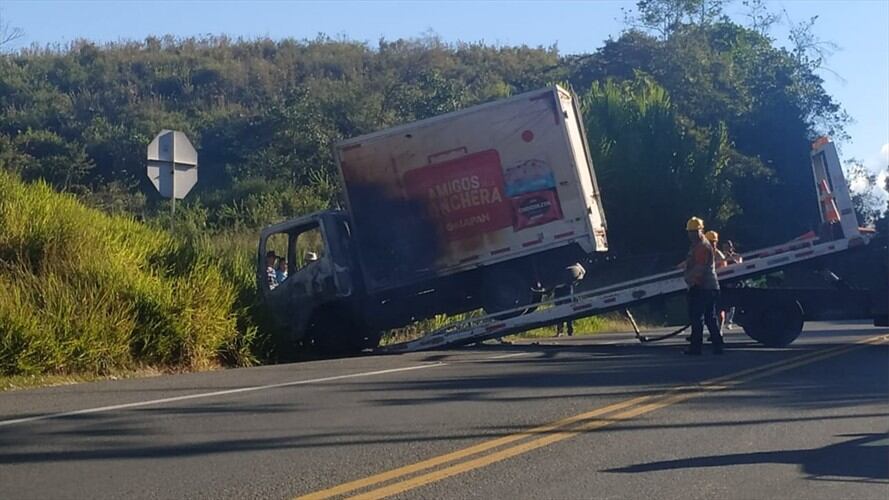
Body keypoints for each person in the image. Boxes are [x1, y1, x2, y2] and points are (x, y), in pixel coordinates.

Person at [684, 217, 723, 355]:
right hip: (708, 287)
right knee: (709, 318)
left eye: (695, 231)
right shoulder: (697, 246)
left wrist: (693, 284)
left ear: (701, 231)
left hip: (703, 287)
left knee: (697, 318)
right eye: (690, 232)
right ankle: (718, 346)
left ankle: (696, 348)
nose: (692, 235)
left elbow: (699, 268)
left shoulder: (702, 247)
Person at [555, 262, 586, 337]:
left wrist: (576, 279)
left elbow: (583, 271)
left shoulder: (571, 263)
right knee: (560, 309)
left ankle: (569, 330)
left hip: (566, 287)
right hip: (559, 287)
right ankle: (562, 330)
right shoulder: (556, 264)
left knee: (567, 309)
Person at [721, 240, 743, 329]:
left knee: (732, 302)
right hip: (724, 281)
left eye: (728, 247)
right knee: (722, 302)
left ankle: (729, 321)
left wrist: (731, 258)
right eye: (724, 247)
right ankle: (721, 321)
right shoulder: (720, 255)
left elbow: (740, 265)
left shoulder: (737, 255)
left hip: (734, 281)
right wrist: (724, 258)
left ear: (732, 247)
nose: (726, 249)